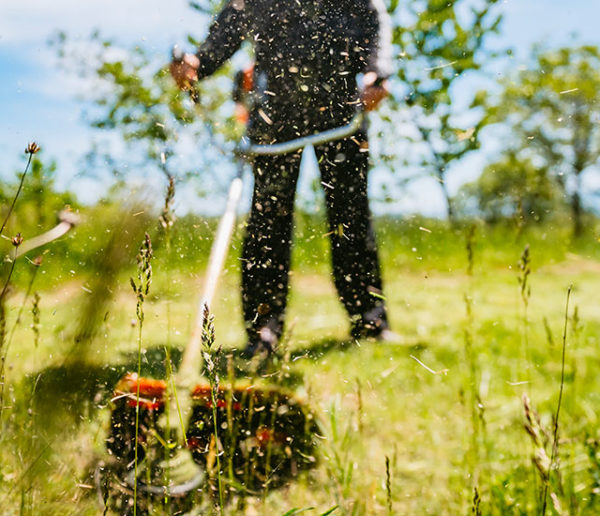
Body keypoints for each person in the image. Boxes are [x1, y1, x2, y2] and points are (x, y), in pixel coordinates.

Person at [171, 0, 398, 355]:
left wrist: (376, 73)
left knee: (350, 216)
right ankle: (262, 330)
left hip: (341, 110)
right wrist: (198, 63)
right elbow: (231, 24)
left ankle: (370, 320)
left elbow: (375, 24)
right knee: (268, 220)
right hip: (275, 110)